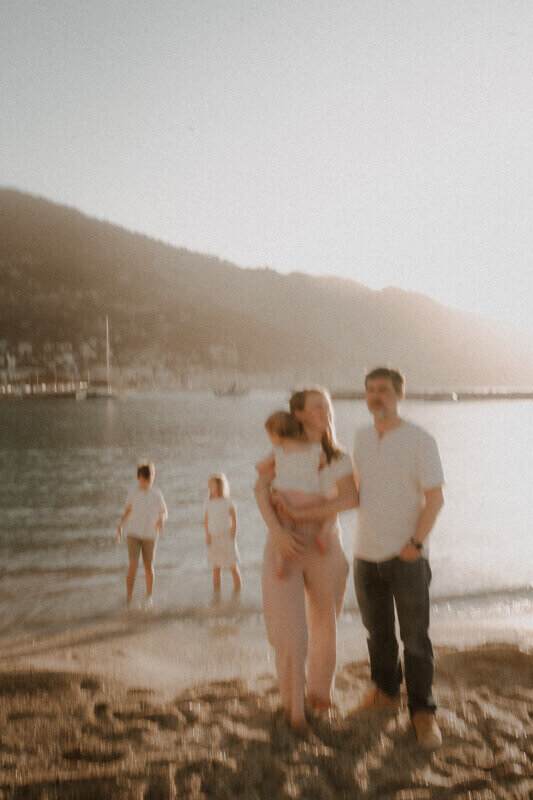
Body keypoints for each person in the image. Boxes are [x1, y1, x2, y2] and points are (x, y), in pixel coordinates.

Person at [352, 367, 444, 749]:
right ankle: (386, 692)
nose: (377, 396)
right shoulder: (359, 437)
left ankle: (423, 712)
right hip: (364, 554)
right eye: (371, 390)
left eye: (384, 390)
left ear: (399, 395)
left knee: (415, 639)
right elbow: (355, 492)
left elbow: (435, 499)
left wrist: (416, 545)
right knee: (378, 634)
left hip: (406, 557)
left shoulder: (419, 439)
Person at [255, 388, 358, 732]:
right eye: (317, 406)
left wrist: (308, 512)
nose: (325, 411)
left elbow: (349, 499)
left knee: (325, 623)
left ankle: (320, 694)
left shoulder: (338, 457)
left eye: (327, 405)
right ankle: (294, 709)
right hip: (284, 538)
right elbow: (260, 490)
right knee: (290, 631)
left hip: (324, 541)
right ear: (297, 414)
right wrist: (281, 533)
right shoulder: (282, 449)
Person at [256, 410, 333, 579]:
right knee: (330, 515)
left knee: (284, 527)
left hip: (286, 497)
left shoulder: (278, 451)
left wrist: (270, 467)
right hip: (311, 496)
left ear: (276, 435)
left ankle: (281, 566)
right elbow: (325, 461)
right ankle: (323, 535)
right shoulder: (314, 449)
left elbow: (260, 467)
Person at [116, 460, 168, 609]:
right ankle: (129, 597)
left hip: (150, 535)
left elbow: (164, 512)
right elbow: (127, 511)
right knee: (133, 565)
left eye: (149, 480)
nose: (146, 483)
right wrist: (120, 526)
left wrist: (161, 520)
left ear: (152, 478)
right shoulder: (133, 493)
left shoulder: (156, 493)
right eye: (144, 480)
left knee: (148, 566)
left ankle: (149, 597)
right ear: (139, 478)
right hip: (133, 533)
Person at [204, 473, 242, 592]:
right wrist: (208, 536)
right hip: (214, 536)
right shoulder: (209, 502)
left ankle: (238, 591)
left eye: (212, 485)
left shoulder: (227, 501)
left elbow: (234, 518)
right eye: (209, 485)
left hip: (226, 536)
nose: (210, 487)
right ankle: (217, 593)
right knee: (216, 567)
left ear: (219, 486)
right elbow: (206, 521)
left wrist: (233, 533)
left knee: (232, 565)